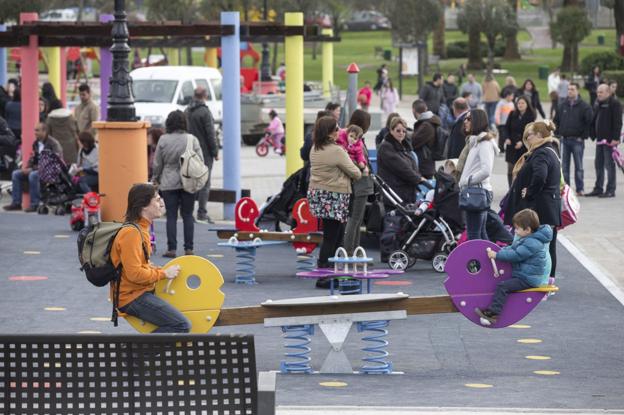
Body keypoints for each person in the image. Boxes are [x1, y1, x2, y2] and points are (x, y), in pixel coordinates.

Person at [111, 183, 190, 333]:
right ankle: (132, 355)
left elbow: (139, 266)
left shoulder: (141, 229)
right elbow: (134, 274)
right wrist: (164, 274)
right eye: (157, 199)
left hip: (139, 291)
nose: (162, 203)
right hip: (132, 297)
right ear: (144, 205)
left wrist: (156, 269)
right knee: (181, 325)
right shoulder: (132, 233)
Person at [475, 209, 553, 326]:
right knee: (505, 283)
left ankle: (493, 313)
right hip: (526, 275)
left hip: (528, 279)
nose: (515, 231)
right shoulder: (529, 239)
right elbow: (513, 248)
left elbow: (516, 255)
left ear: (527, 230)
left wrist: (497, 255)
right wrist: (501, 250)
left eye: (517, 228)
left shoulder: (532, 243)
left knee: (503, 286)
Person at [505, 120, 561, 278]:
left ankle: (543, 282)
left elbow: (540, 176)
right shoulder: (551, 150)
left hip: (540, 208)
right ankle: (547, 281)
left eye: (528, 135)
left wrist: (528, 192)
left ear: (539, 135)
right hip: (547, 206)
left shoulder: (542, 152)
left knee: (544, 249)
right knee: (548, 248)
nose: (526, 139)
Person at [307, 116, 362, 270]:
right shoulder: (337, 151)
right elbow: (356, 173)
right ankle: (325, 270)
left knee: (330, 234)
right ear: (330, 133)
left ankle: (328, 268)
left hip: (318, 195)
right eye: (337, 129)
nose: (340, 131)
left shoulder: (314, 148)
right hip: (334, 196)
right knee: (334, 237)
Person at [151, 110, 203, 258]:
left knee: (171, 216)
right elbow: (200, 161)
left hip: (168, 182)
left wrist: (156, 178)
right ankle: (189, 249)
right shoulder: (191, 139)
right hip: (188, 181)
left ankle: (172, 249)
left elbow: (157, 163)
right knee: (187, 215)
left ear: (169, 123)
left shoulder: (163, 140)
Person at [458, 109, 498, 240]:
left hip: (477, 191)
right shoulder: (476, 141)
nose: (465, 121)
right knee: (479, 233)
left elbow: (486, 170)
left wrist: (467, 180)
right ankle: (486, 260)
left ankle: (476, 260)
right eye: (465, 118)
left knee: (474, 234)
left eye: (469, 119)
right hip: (477, 190)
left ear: (477, 121)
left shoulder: (484, 143)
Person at [3, 123, 62, 212]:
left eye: (37, 130)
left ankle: (35, 204)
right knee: (16, 174)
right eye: (35, 130)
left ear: (44, 131)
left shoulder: (53, 144)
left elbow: (54, 162)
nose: (35, 132)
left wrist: (33, 169)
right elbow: (33, 158)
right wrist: (27, 167)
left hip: (50, 171)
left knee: (33, 175)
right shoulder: (36, 143)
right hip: (36, 169)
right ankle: (16, 203)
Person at [342, 110, 374, 256]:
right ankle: (351, 251)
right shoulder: (355, 140)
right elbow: (353, 160)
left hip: (356, 183)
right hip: (360, 183)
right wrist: (363, 168)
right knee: (355, 219)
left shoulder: (350, 137)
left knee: (356, 219)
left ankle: (355, 251)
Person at [377, 117, 428, 208]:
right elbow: (401, 167)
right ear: (391, 130)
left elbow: (412, 166)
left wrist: (418, 177)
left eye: (404, 131)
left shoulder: (404, 146)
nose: (401, 133)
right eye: (398, 130)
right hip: (395, 191)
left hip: (406, 190)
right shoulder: (386, 147)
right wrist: (418, 178)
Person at [553, 82, 593, 196]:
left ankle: (580, 189)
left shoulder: (584, 106)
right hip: (564, 140)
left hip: (577, 141)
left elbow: (589, 121)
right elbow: (556, 120)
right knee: (564, 166)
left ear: (577, 91)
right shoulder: (562, 105)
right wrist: (558, 133)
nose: (570, 91)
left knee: (579, 167)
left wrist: (583, 136)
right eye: (569, 89)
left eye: (572, 89)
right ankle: (566, 189)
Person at [186, 87, 219, 223]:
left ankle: (188, 212)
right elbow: (210, 134)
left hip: (189, 152)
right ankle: (202, 212)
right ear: (205, 96)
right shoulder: (204, 112)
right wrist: (215, 152)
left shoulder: (187, 111)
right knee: (205, 183)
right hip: (204, 153)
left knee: (191, 182)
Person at [586, 84, 623, 198]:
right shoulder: (598, 103)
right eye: (598, 92)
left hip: (609, 141)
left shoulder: (615, 104)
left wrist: (615, 138)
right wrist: (592, 133)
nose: (598, 94)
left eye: (601, 92)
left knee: (609, 165)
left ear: (608, 92)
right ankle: (598, 188)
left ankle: (611, 189)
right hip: (599, 140)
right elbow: (594, 119)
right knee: (598, 164)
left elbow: (618, 122)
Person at [504, 96, 535, 186]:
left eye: (522, 103)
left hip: (523, 146)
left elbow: (530, 131)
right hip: (511, 145)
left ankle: (520, 187)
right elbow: (506, 128)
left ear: (527, 104)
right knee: (510, 168)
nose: (520, 105)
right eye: (518, 103)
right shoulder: (512, 114)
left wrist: (522, 142)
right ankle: (511, 188)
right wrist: (506, 138)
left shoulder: (530, 116)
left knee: (521, 169)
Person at [411, 99, 441, 179]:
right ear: (426, 108)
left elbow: (413, 142)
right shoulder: (428, 122)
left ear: (413, 110)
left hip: (424, 166)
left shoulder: (426, 125)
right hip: (427, 165)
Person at [46, 99, 79, 166]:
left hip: (57, 148)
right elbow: (77, 130)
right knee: (71, 169)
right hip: (71, 147)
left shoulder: (50, 119)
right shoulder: (70, 117)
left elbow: (48, 134)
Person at [494, 89, 515, 153]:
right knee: (502, 136)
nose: (512, 97)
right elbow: (497, 113)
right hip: (501, 123)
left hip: (509, 123)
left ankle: (505, 148)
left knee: (507, 135)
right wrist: (497, 121)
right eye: (512, 96)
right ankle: (501, 148)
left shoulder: (511, 104)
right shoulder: (501, 103)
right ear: (507, 96)